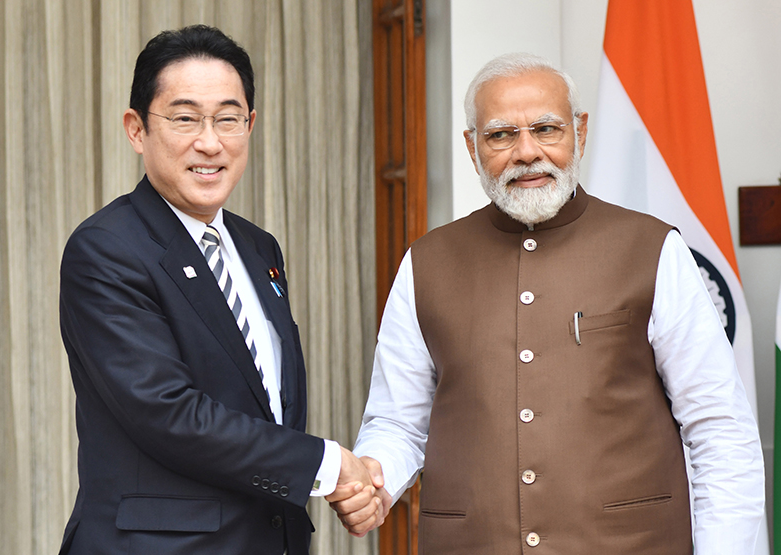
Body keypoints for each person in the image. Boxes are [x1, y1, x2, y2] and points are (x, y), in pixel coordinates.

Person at [332, 53, 764, 553]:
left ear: (579, 131)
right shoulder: (426, 262)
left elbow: (719, 432)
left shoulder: (653, 249)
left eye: (546, 129)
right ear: (473, 148)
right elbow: (397, 421)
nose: (526, 152)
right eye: (500, 135)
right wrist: (374, 478)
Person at [57, 25, 384, 555]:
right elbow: (169, 413)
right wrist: (326, 466)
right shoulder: (106, 248)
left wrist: (342, 479)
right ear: (136, 129)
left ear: (250, 125)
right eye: (184, 118)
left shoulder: (259, 249)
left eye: (228, 119)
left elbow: (266, 403)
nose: (209, 142)